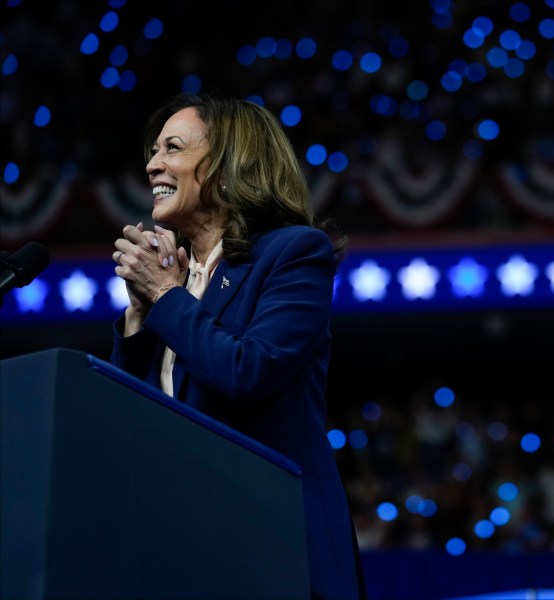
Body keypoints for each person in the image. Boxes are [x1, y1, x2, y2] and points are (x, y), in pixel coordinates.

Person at [110, 92, 365, 599]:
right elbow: (131, 422)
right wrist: (141, 313)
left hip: (276, 546)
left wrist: (165, 297)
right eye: (154, 150)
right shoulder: (176, 283)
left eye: (173, 148)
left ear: (228, 168)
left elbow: (247, 372)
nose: (152, 163)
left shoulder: (293, 253)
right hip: (186, 552)